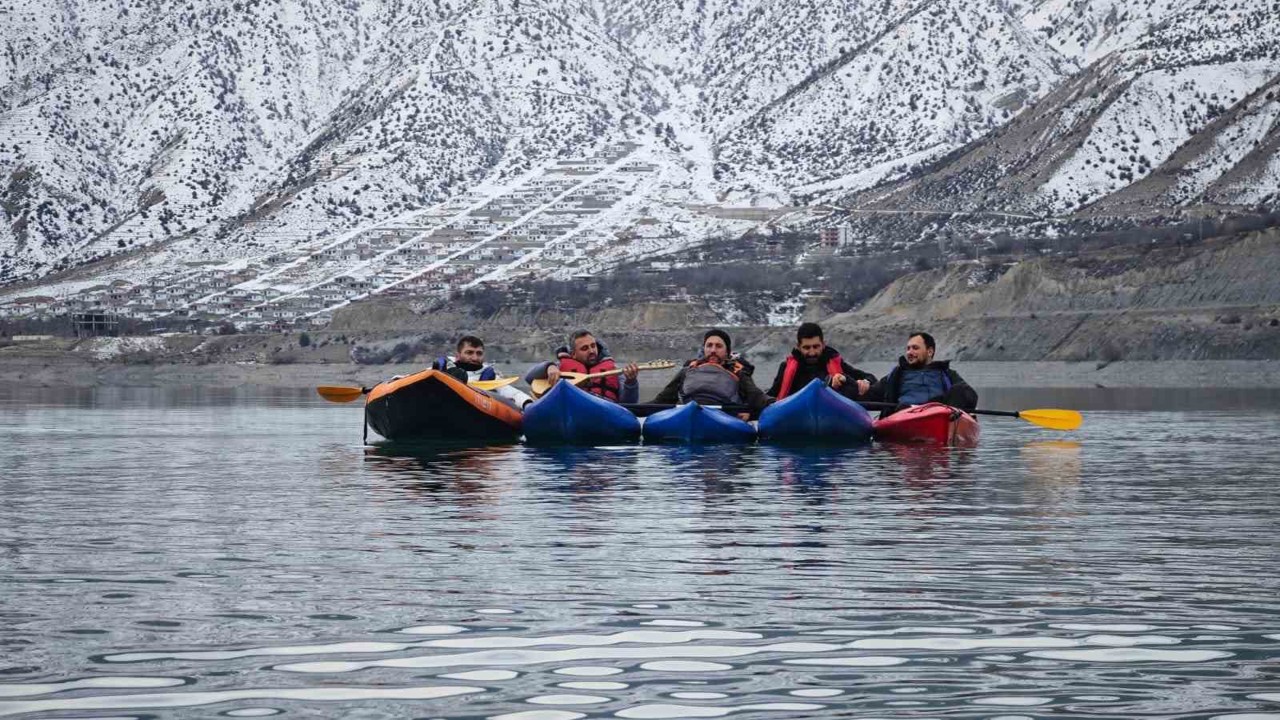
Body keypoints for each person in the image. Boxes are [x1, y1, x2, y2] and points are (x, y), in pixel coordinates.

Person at [650, 328, 771, 420]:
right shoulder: (688, 370)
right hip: (688, 414)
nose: (713, 350)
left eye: (718, 346)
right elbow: (660, 402)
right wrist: (630, 383)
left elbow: (758, 398)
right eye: (709, 345)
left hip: (723, 417)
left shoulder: (737, 372)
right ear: (704, 349)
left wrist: (752, 414)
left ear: (727, 352)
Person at [863, 332, 977, 415]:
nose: (910, 352)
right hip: (905, 413)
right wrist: (856, 383)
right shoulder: (897, 374)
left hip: (939, 413)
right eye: (908, 348)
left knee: (960, 389)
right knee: (904, 406)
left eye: (915, 348)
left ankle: (952, 417)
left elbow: (970, 395)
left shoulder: (946, 373)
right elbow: (871, 395)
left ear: (930, 351)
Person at [767, 321, 876, 401]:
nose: (812, 352)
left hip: (831, 415)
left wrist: (865, 382)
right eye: (806, 348)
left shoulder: (834, 362)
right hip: (796, 417)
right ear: (798, 347)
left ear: (823, 345)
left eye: (816, 346)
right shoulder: (786, 367)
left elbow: (870, 378)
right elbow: (771, 395)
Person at [524, 330, 640, 403]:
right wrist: (549, 366)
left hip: (605, 409)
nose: (591, 351)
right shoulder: (559, 368)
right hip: (572, 407)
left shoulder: (614, 371)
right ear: (573, 354)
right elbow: (528, 377)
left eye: (593, 346)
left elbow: (629, 402)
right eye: (584, 348)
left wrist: (631, 381)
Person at [433, 335, 534, 409]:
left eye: (479, 353)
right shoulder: (440, 368)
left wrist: (528, 403)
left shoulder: (490, 376)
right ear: (458, 355)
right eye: (469, 352)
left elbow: (514, 394)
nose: (475, 357)